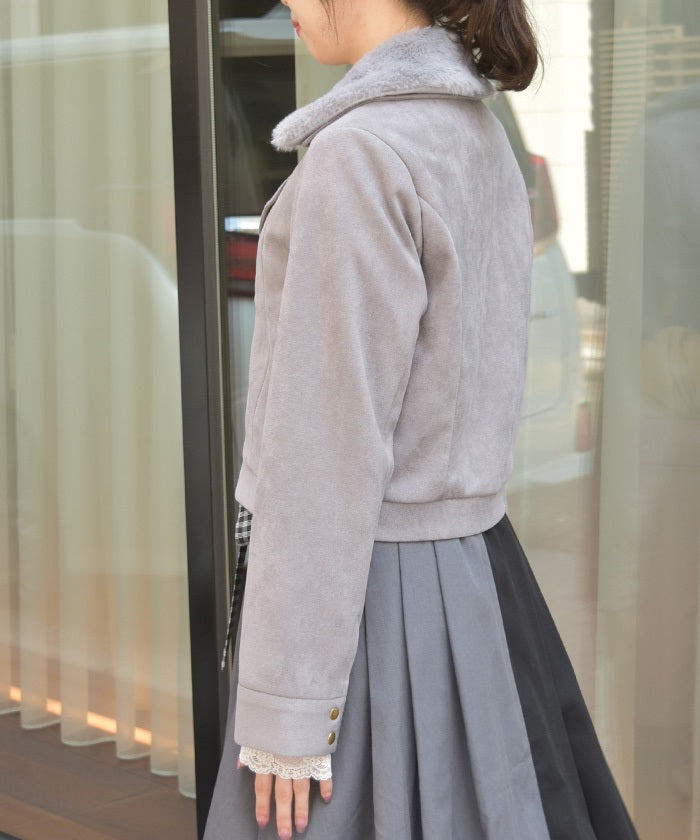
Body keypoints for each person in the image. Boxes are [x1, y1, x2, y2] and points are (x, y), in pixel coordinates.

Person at [204, 1, 638, 837]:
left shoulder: (357, 157)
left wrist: (288, 709)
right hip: (478, 580)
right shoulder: (475, 133)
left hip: (371, 598)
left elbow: (322, 462)